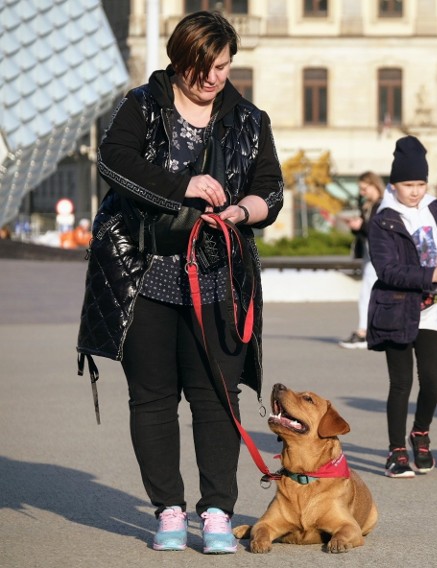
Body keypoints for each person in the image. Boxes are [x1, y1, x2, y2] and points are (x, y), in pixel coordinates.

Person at [76, 11, 284, 552]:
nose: (214, 77)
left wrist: (241, 213)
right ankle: (167, 510)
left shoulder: (249, 119)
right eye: (203, 67)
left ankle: (217, 512)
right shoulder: (142, 105)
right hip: (142, 275)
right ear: (179, 59)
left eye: (223, 66)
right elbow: (113, 160)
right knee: (152, 398)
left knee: (218, 399)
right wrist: (184, 184)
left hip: (218, 280)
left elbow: (272, 191)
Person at [367, 135, 437, 477]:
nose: (414, 191)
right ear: (394, 185)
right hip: (396, 309)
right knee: (401, 384)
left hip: (433, 309)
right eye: (408, 184)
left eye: (421, 183)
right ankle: (396, 451)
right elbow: (388, 270)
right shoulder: (384, 220)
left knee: (433, 380)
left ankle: (420, 434)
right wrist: (432, 273)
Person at [339, 171, 385, 349]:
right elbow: (368, 231)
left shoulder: (382, 205)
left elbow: (380, 232)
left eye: (364, 188)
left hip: (378, 256)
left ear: (374, 185)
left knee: (368, 293)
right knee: (369, 293)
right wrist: (356, 227)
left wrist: (362, 226)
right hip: (369, 254)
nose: (362, 192)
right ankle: (368, 331)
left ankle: (365, 333)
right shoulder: (369, 205)